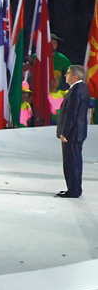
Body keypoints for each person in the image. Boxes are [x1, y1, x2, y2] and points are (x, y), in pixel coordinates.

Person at [55, 64, 90, 198]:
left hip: (73, 134)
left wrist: (65, 132)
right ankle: (74, 188)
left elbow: (72, 114)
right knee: (74, 160)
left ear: (74, 76)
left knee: (71, 162)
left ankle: (73, 190)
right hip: (77, 133)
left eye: (68, 73)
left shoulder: (76, 91)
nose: (65, 75)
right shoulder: (82, 88)